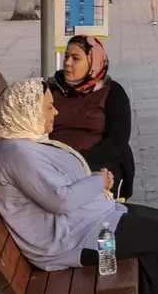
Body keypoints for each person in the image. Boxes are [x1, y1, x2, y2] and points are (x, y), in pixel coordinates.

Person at [0, 78, 158, 294]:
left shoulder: (20, 145)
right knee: (157, 234)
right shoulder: (17, 154)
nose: (54, 113)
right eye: (48, 107)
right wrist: (99, 182)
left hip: (80, 224)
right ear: (29, 113)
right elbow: (61, 200)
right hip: (69, 241)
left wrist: (93, 180)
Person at [49, 34, 135, 197]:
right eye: (66, 56)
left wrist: (78, 163)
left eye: (76, 58)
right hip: (55, 165)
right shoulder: (52, 89)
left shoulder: (112, 92)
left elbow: (117, 142)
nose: (67, 63)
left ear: (93, 62)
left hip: (100, 163)